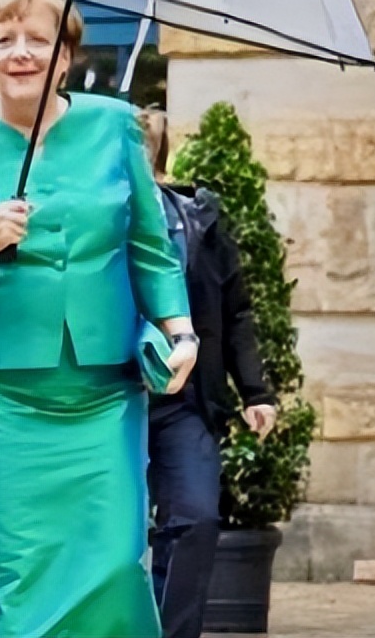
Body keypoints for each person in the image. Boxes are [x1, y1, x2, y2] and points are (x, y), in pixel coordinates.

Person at [0, 0, 198, 638]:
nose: (22, 53)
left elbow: (149, 245)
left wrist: (180, 331)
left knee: (112, 562)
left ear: (66, 57)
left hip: (100, 389)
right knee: (3, 572)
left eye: (39, 39)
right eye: (4, 39)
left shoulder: (115, 125)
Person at [138, 108, 277, 638]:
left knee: (196, 518)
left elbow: (235, 311)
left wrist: (255, 391)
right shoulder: (90, 219)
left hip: (184, 399)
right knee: (108, 534)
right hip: (107, 397)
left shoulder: (199, 220)